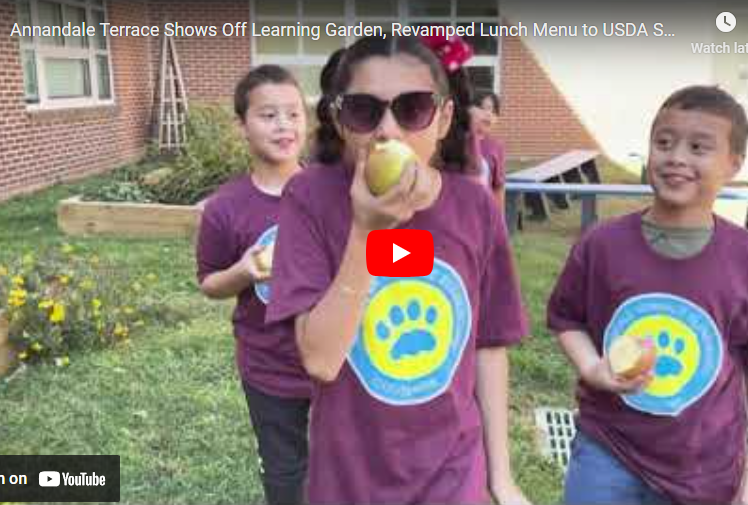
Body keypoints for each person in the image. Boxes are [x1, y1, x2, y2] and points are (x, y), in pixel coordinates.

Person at [266, 36, 531, 505]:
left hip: (453, 470)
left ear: (445, 118)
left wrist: (501, 477)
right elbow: (322, 360)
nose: (387, 130)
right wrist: (367, 231)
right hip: (350, 477)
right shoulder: (309, 199)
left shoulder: (474, 207)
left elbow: (489, 346)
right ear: (338, 119)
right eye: (365, 111)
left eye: (413, 109)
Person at [547, 85, 748, 505]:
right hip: (607, 448)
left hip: (704, 465)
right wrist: (591, 368)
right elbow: (567, 318)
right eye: (664, 142)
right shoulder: (602, 244)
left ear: (734, 164)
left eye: (698, 147)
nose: (676, 156)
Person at [195, 64, 310, 505]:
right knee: (285, 474)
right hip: (270, 368)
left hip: (341, 362)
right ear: (242, 125)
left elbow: (383, 253)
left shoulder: (335, 192)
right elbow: (209, 283)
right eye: (268, 115)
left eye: (294, 113)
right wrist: (243, 271)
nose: (284, 125)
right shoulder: (225, 209)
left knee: (345, 463)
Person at [469, 90, 506, 209]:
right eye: (484, 108)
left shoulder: (496, 146)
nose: (489, 114)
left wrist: (499, 222)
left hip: (483, 213)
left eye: (494, 111)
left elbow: (498, 187)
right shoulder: (452, 141)